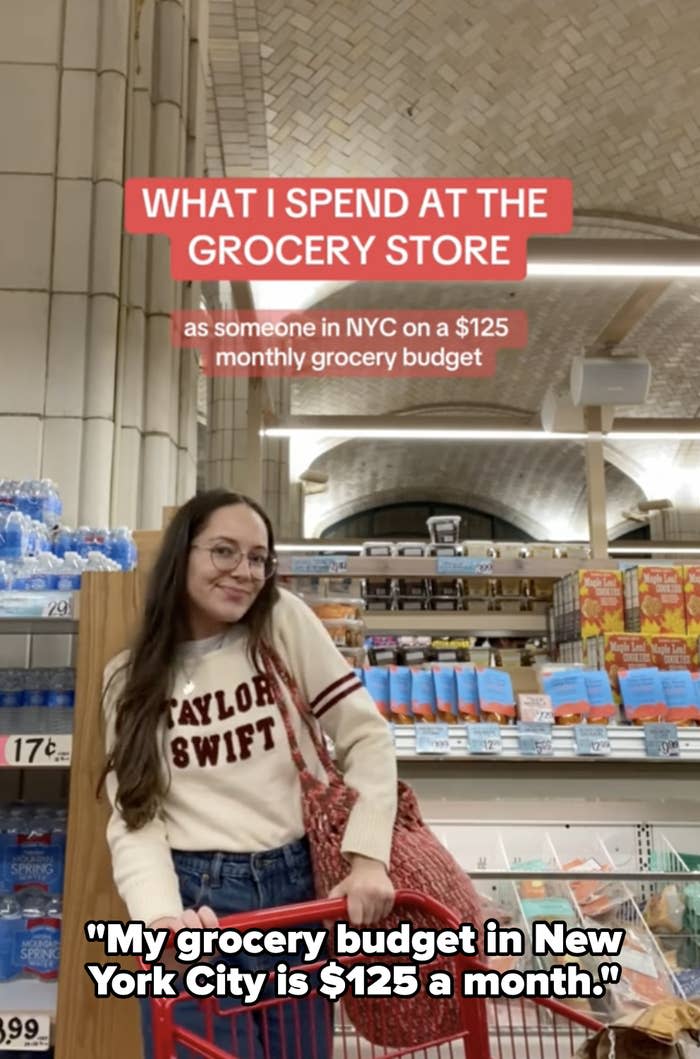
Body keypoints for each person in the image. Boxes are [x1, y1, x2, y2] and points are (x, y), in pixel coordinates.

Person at [98, 489, 397, 1059]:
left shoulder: (281, 622)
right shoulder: (128, 681)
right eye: (224, 552)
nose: (245, 572)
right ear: (182, 555)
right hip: (196, 910)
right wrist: (160, 919)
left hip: (299, 897)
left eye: (259, 558)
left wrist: (368, 859)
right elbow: (135, 818)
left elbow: (366, 735)